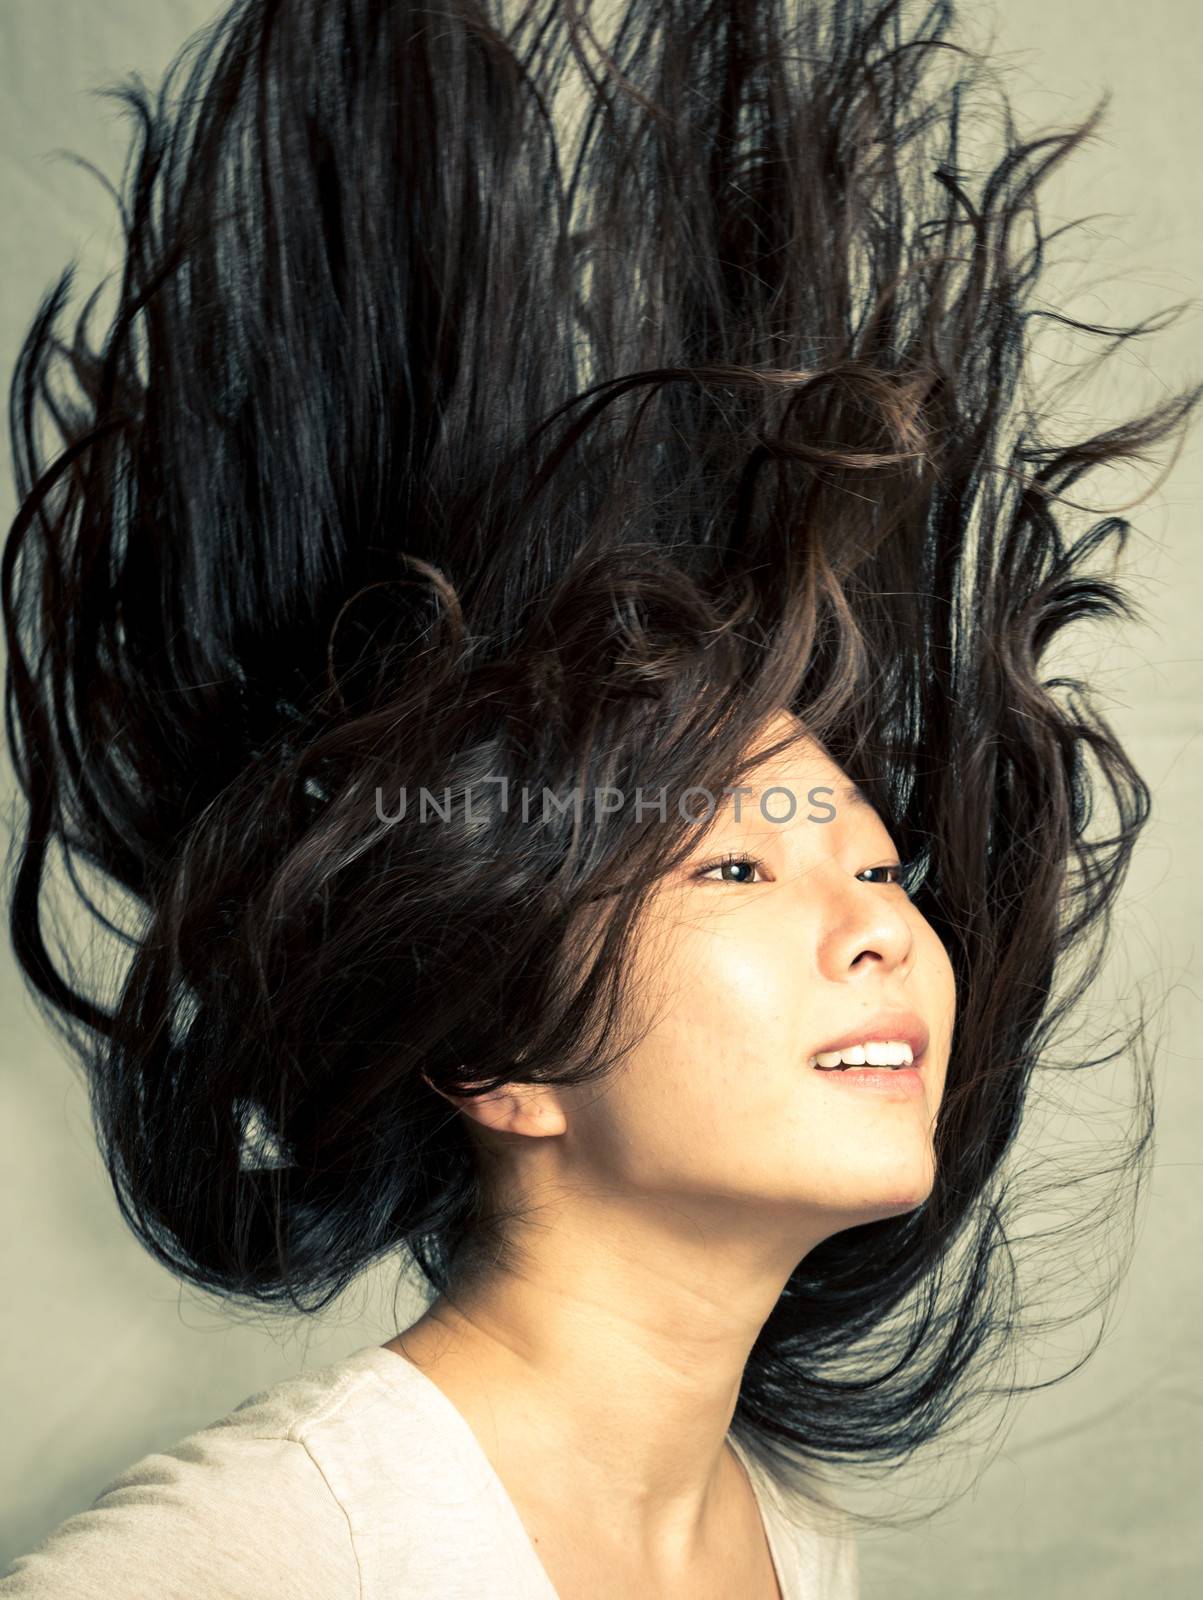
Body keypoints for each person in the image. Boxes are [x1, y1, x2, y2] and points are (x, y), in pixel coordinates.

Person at [0, 1, 1196, 1596]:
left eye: (884, 869)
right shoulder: (245, 1561)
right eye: (736, 876)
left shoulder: (789, 1545)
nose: (878, 932)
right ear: (503, 1051)